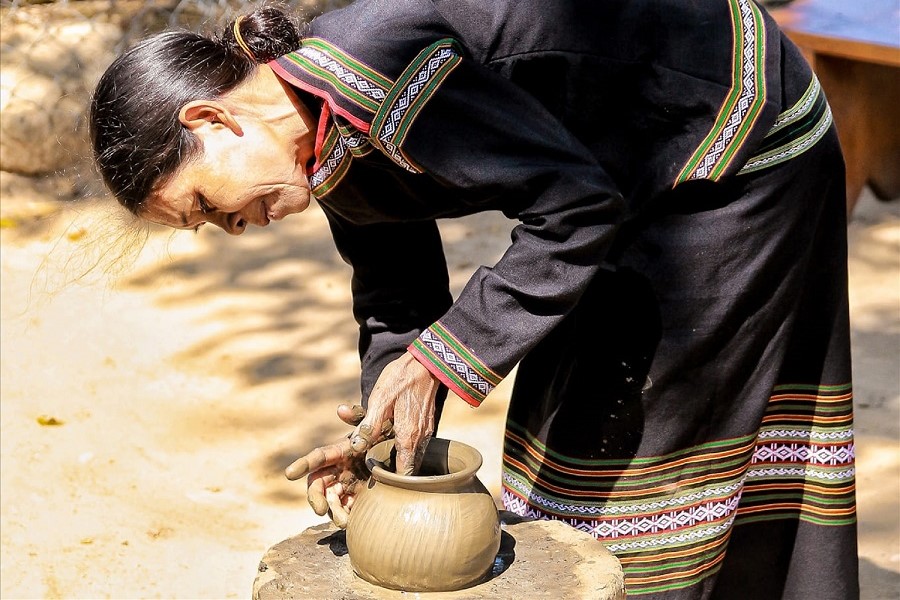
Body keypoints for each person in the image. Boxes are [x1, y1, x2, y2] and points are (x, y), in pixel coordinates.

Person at [90, 1, 859, 597]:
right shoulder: (320, 135)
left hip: (736, 139)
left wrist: (441, 364)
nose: (232, 229)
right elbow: (397, 296)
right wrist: (383, 441)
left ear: (212, 121)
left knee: (639, 457)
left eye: (205, 207)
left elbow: (576, 212)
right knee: (563, 435)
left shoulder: (381, 71)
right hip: (628, 169)